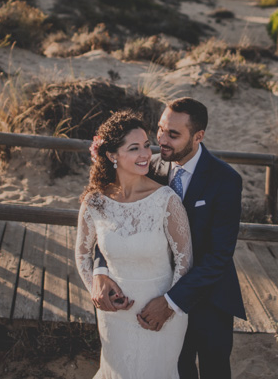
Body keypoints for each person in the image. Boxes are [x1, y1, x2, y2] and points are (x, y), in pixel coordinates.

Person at [93, 98, 246, 379]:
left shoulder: (225, 180)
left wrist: (172, 301)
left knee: (214, 370)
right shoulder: (146, 167)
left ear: (198, 136)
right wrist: (100, 270)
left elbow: (219, 255)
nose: (161, 140)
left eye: (173, 135)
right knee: (175, 368)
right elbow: (114, 221)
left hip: (208, 298)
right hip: (154, 293)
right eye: (160, 129)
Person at [76, 110, 193, 379]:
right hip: (114, 316)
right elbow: (82, 255)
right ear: (111, 155)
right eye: (133, 148)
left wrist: (168, 306)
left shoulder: (166, 199)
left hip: (160, 315)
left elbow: (185, 260)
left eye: (145, 145)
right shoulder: (95, 202)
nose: (145, 154)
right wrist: (97, 288)